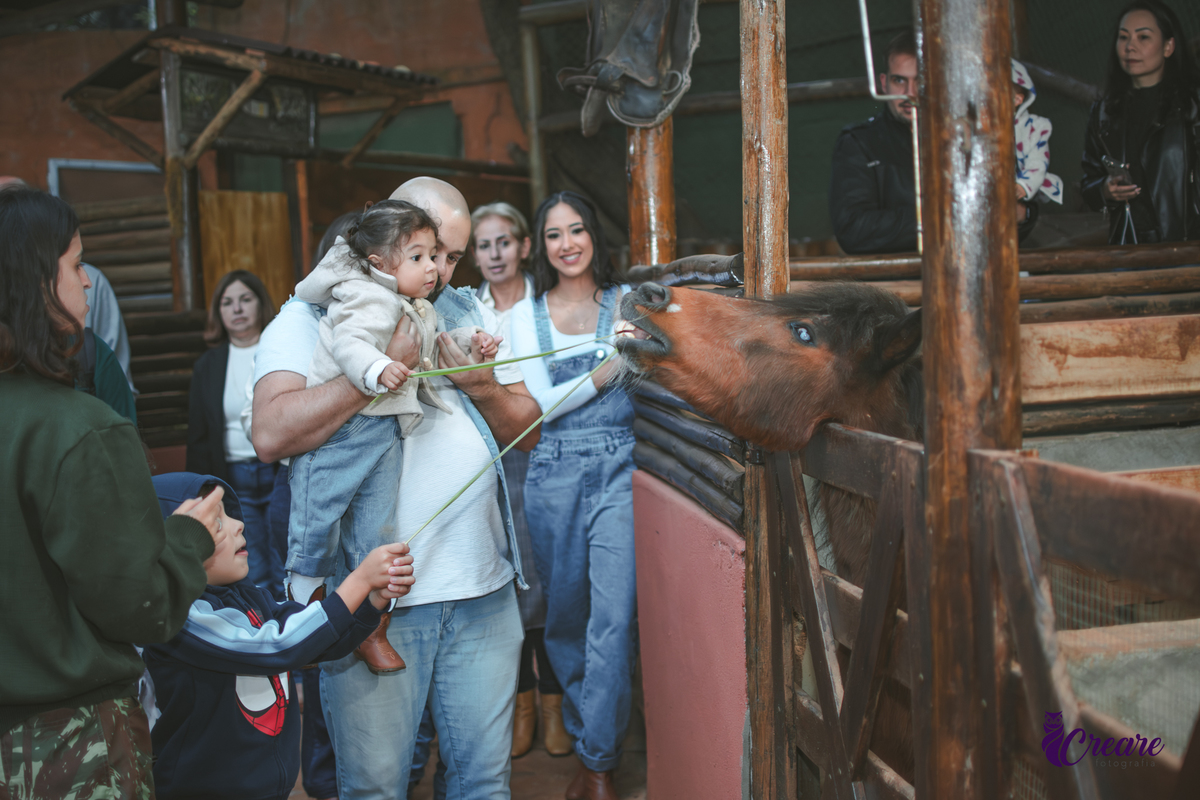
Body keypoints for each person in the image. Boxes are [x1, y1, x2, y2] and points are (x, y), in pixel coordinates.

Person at [250, 176, 542, 800]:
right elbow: (270, 433)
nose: (444, 272)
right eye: (433, 252)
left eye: (455, 257)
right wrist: (383, 367)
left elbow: (530, 428)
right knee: (377, 789)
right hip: (374, 608)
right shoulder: (313, 312)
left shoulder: (466, 311)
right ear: (396, 232)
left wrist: (483, 385)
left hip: (483, 592)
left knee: (484, 785)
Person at [0, 187, 222, 798]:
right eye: (76, 264)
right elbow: (139, 606)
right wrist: (190, 537)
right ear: (36, 284)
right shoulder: (80, 431)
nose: (88, 281)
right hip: (72, 744)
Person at [288, 200, 494, 675]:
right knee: (317, 517)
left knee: (377, 532)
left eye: (439, 257)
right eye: (420, 257)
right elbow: (350, 343)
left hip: (385, 431)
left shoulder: (414, 304)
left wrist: (473, 343)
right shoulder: (366, 295)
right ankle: (303, 605)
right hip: (343, 432)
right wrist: (380, 367)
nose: (434, 268)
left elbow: (435, 347)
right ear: (381, 263)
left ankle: (369, 627)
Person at [142, 472, 414, 800]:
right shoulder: (183, 619)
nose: (238, 525)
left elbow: (316, 643)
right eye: (216, 523)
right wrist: (358, 581)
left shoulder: (251, 597)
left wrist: (372, 601)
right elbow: (278, 646)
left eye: (230, 515)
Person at [508, 191, 635, 800]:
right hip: (552, 471)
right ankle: (590, 741)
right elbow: (540, 405)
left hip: (620, 466)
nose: (567, 244)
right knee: (565, 621)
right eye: (554, 234)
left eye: (577, 229)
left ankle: (600, 764)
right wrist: (609, 367)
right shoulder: (522, 316)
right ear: (542, 246)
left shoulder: (628, 302)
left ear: (593, 236)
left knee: (614, 619)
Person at [472, 201, 570, 759]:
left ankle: (555, 702)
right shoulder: (468, 310)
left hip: (549, 445)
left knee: (551, 572)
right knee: (511, 578)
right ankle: (523, 704)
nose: (494, 254)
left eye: (503, 242)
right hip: (493, 455)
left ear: (524, 247)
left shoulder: (547, 302)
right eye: (484, 245)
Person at [188, 270, 284, 598]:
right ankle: (266, 621)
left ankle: (295, 620)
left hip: (278, 472)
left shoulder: (280, 352)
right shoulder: (208, 365)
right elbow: (199, 433)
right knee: (252, 562)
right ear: (218, 312)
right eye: (227, 303)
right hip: (233, 479)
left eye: (245, 299)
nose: (237, 309)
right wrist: (199, 488)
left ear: (261, 304)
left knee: (284, 559)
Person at [1081, 1, 1200, 244]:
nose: (1130, 47)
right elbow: (1089, 182)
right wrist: (1105, 189)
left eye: (1143, 37)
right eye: (1123, 37)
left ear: (1168, 46)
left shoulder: (1192, 106)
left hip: (1186, 246)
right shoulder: (1104, 112)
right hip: (1128, 245)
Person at [828, 30, 921, 255]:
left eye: (920, 80)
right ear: (883, 83)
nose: (909, 93)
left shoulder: (958, 138)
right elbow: (853, 231)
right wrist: (936, 218)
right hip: (892, 275)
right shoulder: (859, 142)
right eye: (899, 80)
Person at [1012, 59, 1064, 215]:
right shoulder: (976, 127)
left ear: (1017, 100)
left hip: (1019, 190)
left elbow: (1037, 162)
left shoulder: (1033, 128)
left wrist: (1023, 186)